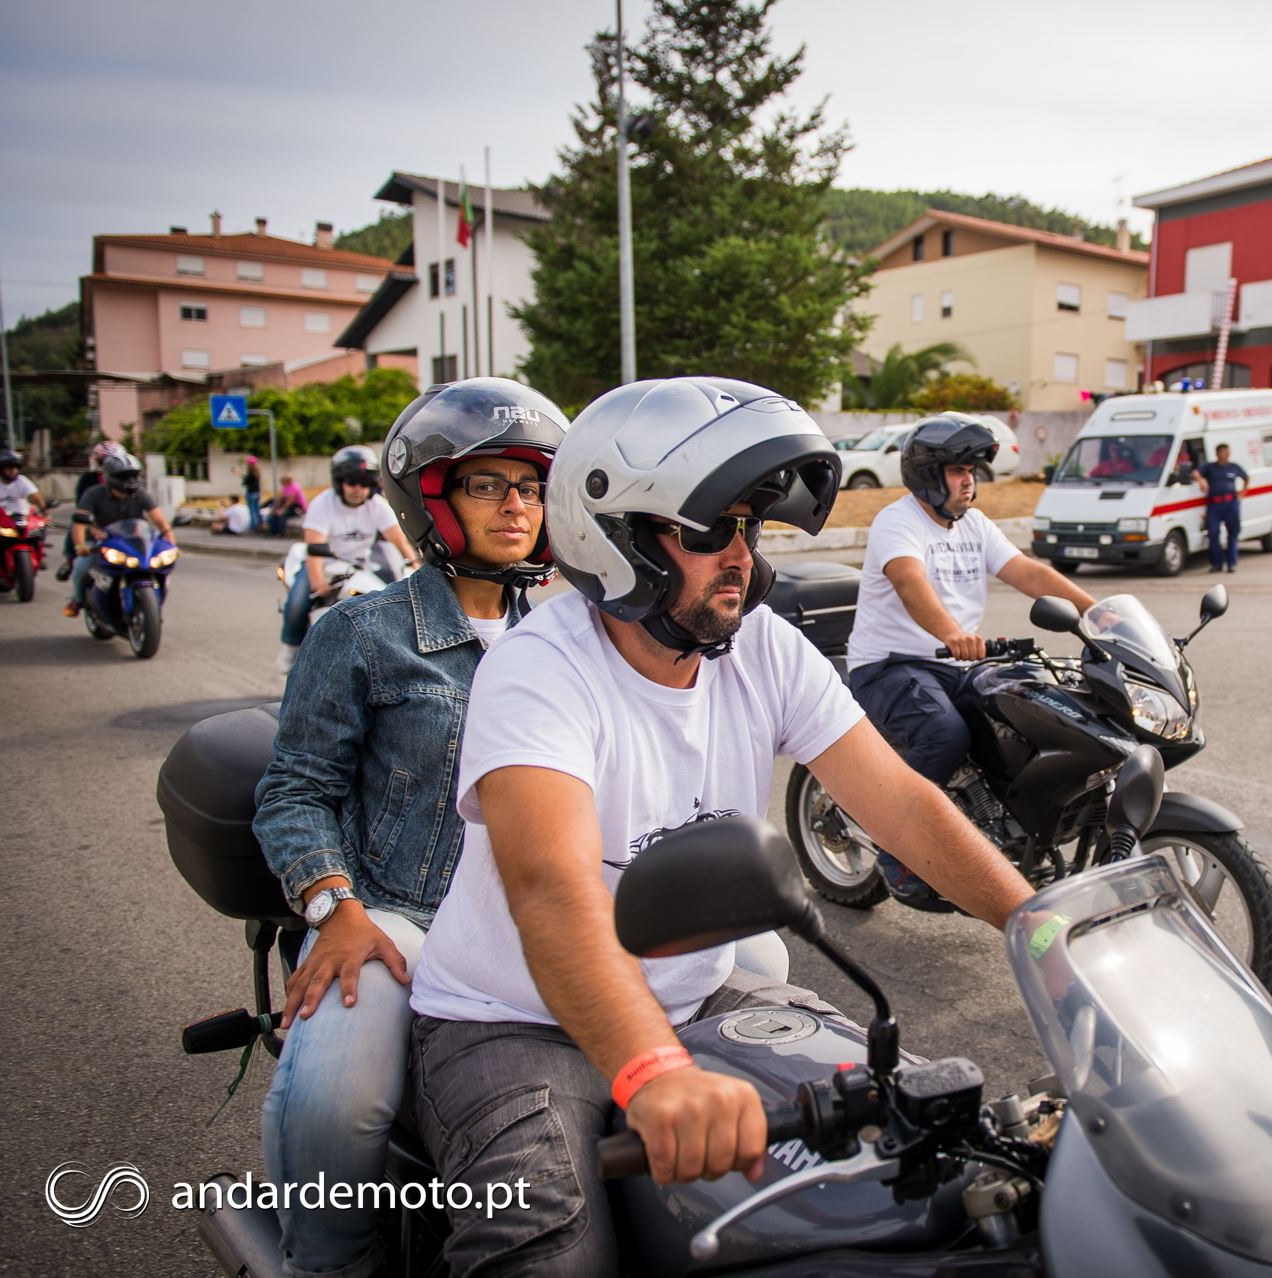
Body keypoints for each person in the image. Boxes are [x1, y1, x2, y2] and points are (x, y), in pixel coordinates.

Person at [405, 378, 1036, 1276]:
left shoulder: (763, 647)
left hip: (697, 998)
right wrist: (652, 1072)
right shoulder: (538, 668)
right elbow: (552, 886)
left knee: (931, 1146)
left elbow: (901, 802)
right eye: (709, 531)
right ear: (617, 537)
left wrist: (1041, 926)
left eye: (748, 527)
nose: (741, 554)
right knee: (547, 1247)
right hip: (510, 1022)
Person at [251, 378, 569, 1278]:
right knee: (335, 1101)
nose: (516, 505)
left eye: (531, 486)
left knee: (753, 972)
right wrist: (336, 909)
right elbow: (294, 791)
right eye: (487, 485)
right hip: (400, 916)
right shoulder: (362, 633)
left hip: (537, 917)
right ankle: (327, 1262)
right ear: (433, 501)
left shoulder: (567, 641)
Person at [844, 413, 1097, 909]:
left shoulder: (974, 525)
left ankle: (1000, 826)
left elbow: (1027, 572)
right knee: (945, 734)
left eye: (972, 471)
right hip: (890, 665)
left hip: (953, 666)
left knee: (1032, 709)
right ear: (928, 474)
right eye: (958, 470)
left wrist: (1098, 614)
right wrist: (952, 633)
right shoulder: (898, 522)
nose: (969, 481)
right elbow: (910, 582)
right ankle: (896, 849)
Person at [277, 445, 422, 673]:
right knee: (297, 603)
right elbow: (315, 548)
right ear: (340, 482)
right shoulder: (322, 504)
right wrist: (317, 581)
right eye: (352, 483)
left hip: (359, 567)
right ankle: (290, 649)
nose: (358, 489)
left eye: (365, 484)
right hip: (323, 564)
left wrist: (415, 565)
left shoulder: (378, 506)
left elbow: (399, 540)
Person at [64, 452, 176, 616]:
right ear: (110, 477)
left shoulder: (140, 494)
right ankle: (77, 599)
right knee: (81, 567)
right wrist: (81, 546)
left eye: (133, 475)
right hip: (99, 543)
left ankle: (151, 604)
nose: (130, 480)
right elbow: (80, 522)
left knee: (158, 566)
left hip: (133, 542)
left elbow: (157, 518)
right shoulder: (93, 494)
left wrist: (170, 538)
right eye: (124, 476)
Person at [57, 441, 125, 580]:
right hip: (93, 522)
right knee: (76, 524)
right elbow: (81, 508)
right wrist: (92, 528)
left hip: (120, 524)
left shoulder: (129, 481)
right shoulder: (88, 480)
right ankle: (70, 559)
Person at [1196, 441, 1249, 574]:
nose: (1226, 455)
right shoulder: (1210, 468)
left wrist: (1242, 494)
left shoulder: (1233, 467)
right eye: (1224, 452)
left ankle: (1231, 563)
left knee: (1232, 534)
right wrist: (1201, 480)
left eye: (1228, 452)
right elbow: (1196, 473)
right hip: (1215, 504)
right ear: (1218, 453)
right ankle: (1216, 563)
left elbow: (1246, 478)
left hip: (1230, 503)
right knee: (1213, 533)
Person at [0, 448, 44, 518]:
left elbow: (36, 497)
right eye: (9, 468)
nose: (13, 471)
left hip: (23, 519)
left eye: (16, 467)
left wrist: (44, 512)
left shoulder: (21, 480)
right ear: (0, 468)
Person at [242, 456, 263, 531]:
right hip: (257, 493)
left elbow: (245, 482)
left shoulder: (250, 472)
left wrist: (243, 478)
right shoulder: (257, 471)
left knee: (252, 511)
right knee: (257, 510)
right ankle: (260, 525)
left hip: (251, 493)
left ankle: (253, 527)